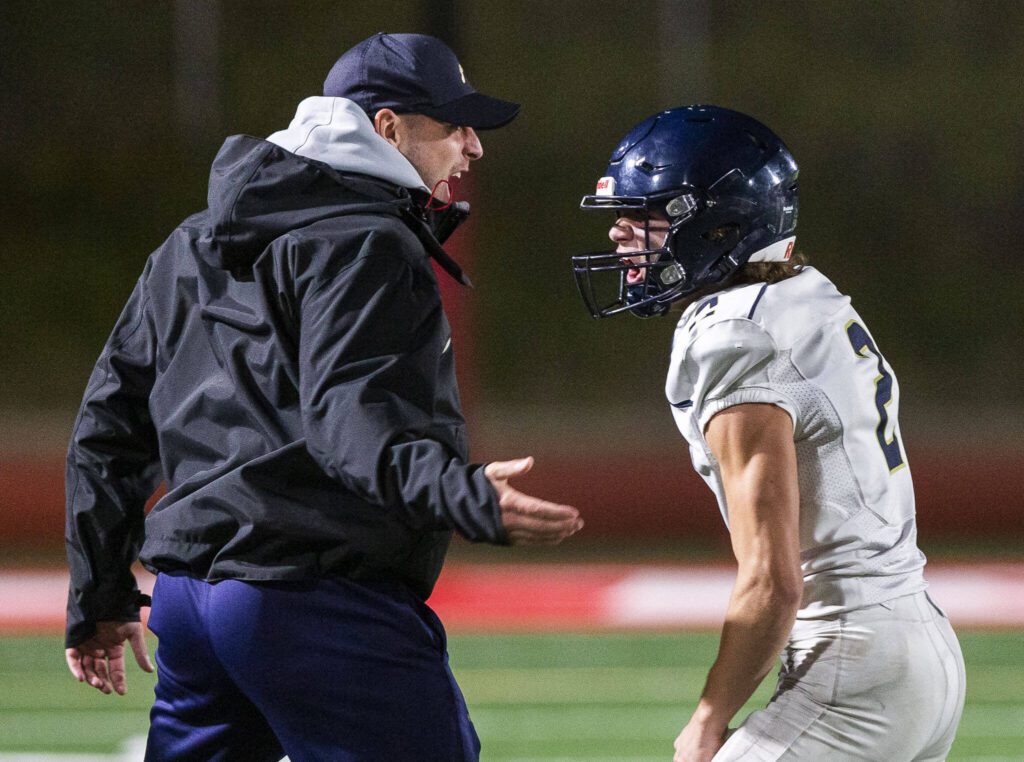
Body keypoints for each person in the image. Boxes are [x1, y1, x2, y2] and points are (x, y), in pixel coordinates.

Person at [64, 32, 582, 761]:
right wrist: (464, 495)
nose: (474, 148)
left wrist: (97, 592)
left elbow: (107, 429)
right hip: (311, 599)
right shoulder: (368, 242)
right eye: (454, 126)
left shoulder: (190, 242)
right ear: (388, 128)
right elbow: (353, 422)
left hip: (190, 605)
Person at [573, 105, 965, 761]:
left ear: (719, 222)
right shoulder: (803, 293)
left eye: (647, 215)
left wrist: (707, 720)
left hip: (854, 663)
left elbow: (771, 582)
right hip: (918, 643)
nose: (620, 235)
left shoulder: (738, 334)